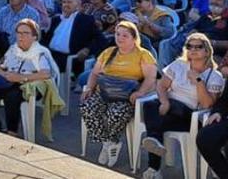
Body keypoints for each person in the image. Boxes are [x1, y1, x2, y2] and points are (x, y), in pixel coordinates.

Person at [140, 32, 223, 179]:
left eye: (198, 46)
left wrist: (198, 81)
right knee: (149, 106)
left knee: (155, 117)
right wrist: (165, 101)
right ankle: (155, 152)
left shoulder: (214, 76)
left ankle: (154, 167)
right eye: (190, 46)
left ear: (207, 51)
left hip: (190, 117)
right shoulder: (179, 65)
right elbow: (161, 86)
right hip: (168, 110)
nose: (193, 49)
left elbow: (207, 104)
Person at [80, 21, 158, 167]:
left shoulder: (143, 55)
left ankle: (112, 141)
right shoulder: (109, 52)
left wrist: (141, 92)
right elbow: (95, 73)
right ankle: (108, 142)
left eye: (125, 35)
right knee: (87, 107)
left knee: (116, 113)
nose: (120, 38)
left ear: (134, 38)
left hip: (125, 95)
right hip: (103, 92)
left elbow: (150, 78)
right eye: (117, 34)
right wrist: (89, 88)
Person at [0, 18, 54, 136]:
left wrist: (21, 78)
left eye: (25, 33)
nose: (21, 36)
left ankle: (12, 132)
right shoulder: (12, 49)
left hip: (28, 85)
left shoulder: (39, 53)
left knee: (12, 97)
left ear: (34, 36)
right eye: (19, 33)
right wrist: (4, 74)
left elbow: (46, 74)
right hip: (8, 81)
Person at [44, 0, 99, 79]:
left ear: (78, 4)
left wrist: (87, 49)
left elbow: (99, 39)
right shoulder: (56, 19)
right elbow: (45, 39)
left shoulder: (86, 20)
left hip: (69, 58)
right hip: (49, 54)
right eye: (64, 2)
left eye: (69, 2)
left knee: (45, 68)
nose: (65, 4)